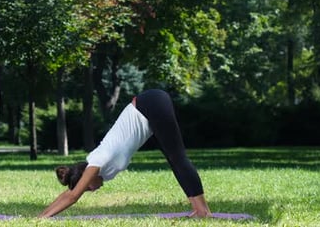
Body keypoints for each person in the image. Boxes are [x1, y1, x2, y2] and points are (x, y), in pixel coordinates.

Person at [38, 89, 211, 218]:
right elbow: (70, 193)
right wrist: (40, 216)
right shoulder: (100, 170)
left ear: (86, 177)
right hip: (148, 111)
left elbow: (73, 196)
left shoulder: (98, 160)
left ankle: (203, 211)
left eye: (87, 187)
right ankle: (199, 209)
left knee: (178, 158)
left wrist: (41, 220)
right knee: (174, 161)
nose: (91, 190)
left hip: (149, 104)